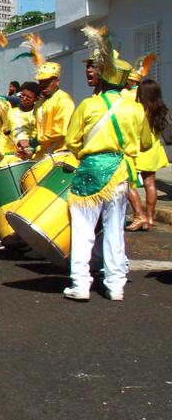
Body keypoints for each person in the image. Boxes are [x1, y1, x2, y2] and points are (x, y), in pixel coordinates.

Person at [63, 28, 153, 301]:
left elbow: (72, 141)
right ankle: (116, 285)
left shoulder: (88, 106)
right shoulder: (136, 109)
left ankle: (80, 284)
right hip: (120, 172)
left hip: (90, 170)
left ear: (102, 76)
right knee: (114, 230)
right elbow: (146, 143)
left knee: (83, 230)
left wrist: (87, 154)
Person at [125, 79, 169, 232]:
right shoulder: (161, 109)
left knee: (128, 182)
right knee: (151, 184)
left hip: (140, 148)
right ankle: (149, 218)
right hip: (155, 149)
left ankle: (139, 215)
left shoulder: (139, 108)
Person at [34, 62, 74, 159]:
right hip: (43, 155)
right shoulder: (39, 103)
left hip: (60, 155)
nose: (43, 85)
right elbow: (38, 130)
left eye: (47, 81)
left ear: (57, 81)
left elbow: (60, 131)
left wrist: (35, 141)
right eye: (41, 81)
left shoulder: (64, 100)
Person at [3, 82, 41, 161]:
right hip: (11, 157)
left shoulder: (38, 114)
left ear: (36, 99)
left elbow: (41, 137)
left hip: (33, 158)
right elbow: (3, 134)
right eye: (22, 95)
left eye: (28, 97)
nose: (24, 99)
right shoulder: (11, 112)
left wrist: (31, 151)